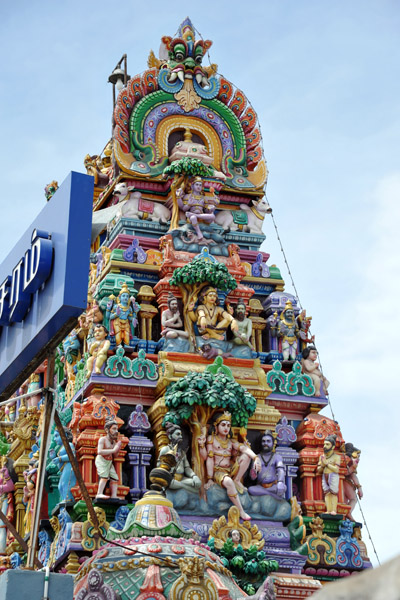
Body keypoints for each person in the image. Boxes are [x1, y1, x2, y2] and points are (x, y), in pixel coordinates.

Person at [198, 411, 261, 521]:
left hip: (230, 470)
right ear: (216, 427)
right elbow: (208, 459)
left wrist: (255, 458)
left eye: (228, 425)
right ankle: (241, 511)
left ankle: (237, 480)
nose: (226, 428)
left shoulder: (231, 442)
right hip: (218, 472)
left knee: (246, 456)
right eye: (223, 425)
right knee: (228, 482)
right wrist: (209, 479)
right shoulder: (211, 439)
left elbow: (244, 449)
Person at [158, 422, 201, 493]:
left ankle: (181, 485)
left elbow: (187, 468)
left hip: (182, 479)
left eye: (181, 434)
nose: (180, 437)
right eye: (178, 434)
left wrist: (194, 476)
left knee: (196, 484)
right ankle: (182, 486)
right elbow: (159, 466)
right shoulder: (165, 450)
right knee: (169, 482)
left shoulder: (182, 453)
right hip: (170, 479)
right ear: (170, 436)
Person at [177, 177, 219, 241]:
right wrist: (189, 204)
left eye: (200, 185)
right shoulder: (188, 196)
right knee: (193, 217)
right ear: (192, 186)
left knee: (212, 216)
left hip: (202, 217)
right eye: (197, 184)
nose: (198, 186)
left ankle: (196, 215)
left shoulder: (204, 198)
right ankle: (199, 233)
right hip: (191, 218)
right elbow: (183, 208)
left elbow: (207, 210)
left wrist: (214, 206)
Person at [248, 430, 287, 499]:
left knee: (283, 487)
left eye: (268, 441)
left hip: (273, 486)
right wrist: (253, 472)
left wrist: (280, 482)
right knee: (250, 489)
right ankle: (272, 495)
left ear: (273, 443)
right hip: (260, 486)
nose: (265, 443)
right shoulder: (257, 457)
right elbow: (252, 478)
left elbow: (281, 470)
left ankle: (266, 493)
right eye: (263, 441)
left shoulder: (277, 457)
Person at [95, 417, 122, 500]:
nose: (116, 431)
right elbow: (99, 451)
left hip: (109, 461)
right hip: (101, 460)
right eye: (114, 429)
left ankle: (114, 495)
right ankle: (99, 493)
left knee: (115, 478)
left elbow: (115, 455)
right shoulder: (102, 439)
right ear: (107, 430)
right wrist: (114, 449)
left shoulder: (113, 442)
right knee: (104, 477)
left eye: (117, 429)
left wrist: (118, 447)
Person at [51, 427, 76, 504]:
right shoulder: (62, 447)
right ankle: (64, 499)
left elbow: (72, 455)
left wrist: (60, 458)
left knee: (65, 484)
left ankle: (68, 499)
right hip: (64, 468)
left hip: (69, 467)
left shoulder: (69, 444)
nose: (55, 439)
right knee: (60, 486)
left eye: (57, 436)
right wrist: (54, 457)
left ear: (64, 435)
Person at [316, 434, 340, 515]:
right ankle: (328, 510)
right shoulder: (322, 457)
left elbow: (337, 469)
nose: (325, 446)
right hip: (325, 475)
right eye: (324, 444)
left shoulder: (336, 457)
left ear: (333, 447)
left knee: (333, 493)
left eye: (327, 444)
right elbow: (319, 470)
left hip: (333, 475)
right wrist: (322, 465)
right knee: (327, 493)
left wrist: (327, 464)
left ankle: (334, 510)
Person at [343, 442, 363, 520]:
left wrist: (359, 487)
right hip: (344, 482)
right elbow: (346, 473)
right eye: (355, 456)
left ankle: (347, 513)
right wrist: (352, 467)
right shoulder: (346, 463)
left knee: (349, 500)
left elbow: (353, 476)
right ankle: (348, 512)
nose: (357, 459)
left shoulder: (351, 465)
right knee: (353, 499)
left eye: (358, 457)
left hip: (345, 483)